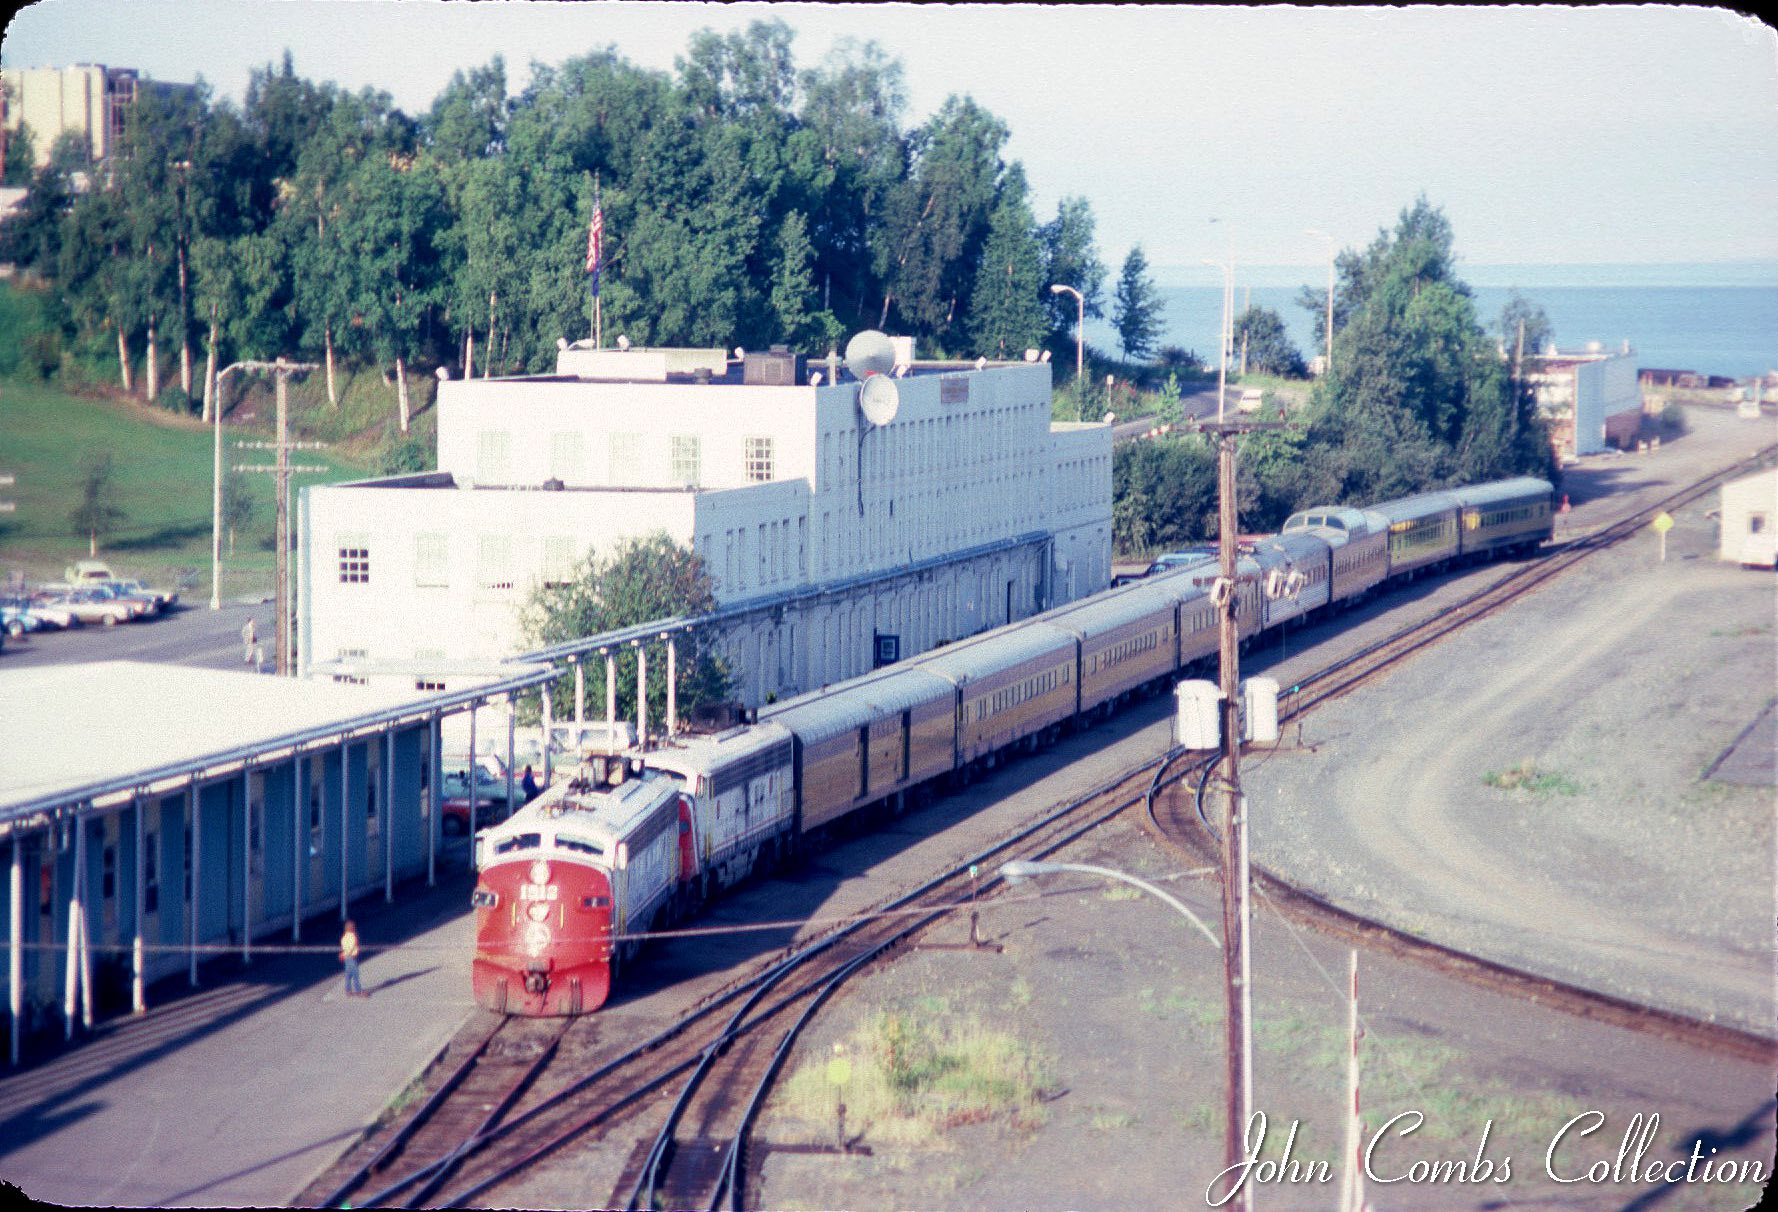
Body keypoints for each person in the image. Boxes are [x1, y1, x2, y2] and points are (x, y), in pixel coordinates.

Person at [339, 920, 366, 998]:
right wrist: (348, 953)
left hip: (346, 958)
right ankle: (358, 991)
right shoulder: (353, 936)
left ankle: (348, 990)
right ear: (353, 928)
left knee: (348, 974)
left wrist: (344, 954)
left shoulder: (344, 937)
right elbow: (351, 947)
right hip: (352, 957)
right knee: (355, 974)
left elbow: (344, 947)